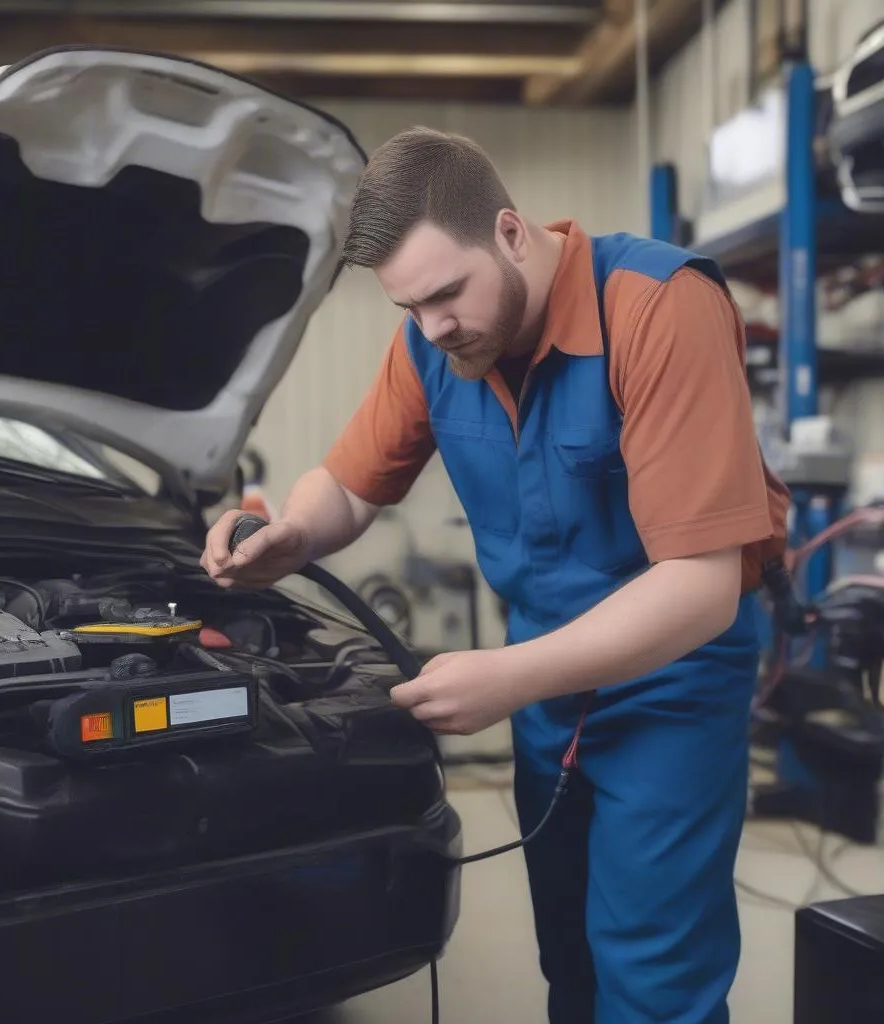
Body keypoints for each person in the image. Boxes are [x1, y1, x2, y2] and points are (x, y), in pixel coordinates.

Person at [201, 127, 791, 1024]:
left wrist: (506, 677)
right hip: (544, 687)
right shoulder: (435, 343)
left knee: (653, 968)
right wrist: (292, 534)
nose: (435, 328)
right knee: (568, 951)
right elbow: (350, 488)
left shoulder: (658, 306)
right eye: (410, 308)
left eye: (445, 294)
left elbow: (702, 585)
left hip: (671, 679)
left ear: (512, 233)